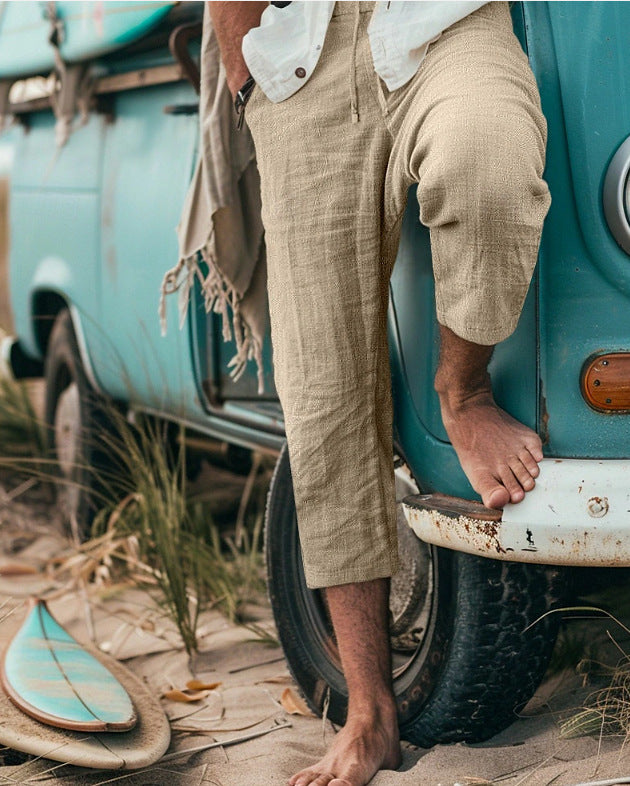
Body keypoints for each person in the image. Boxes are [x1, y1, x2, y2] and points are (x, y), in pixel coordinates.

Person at [209, 3, 551, 785]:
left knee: (490, 160)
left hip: (450, 19)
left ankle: (463, 391)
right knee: (323, 385)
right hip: (303, 49)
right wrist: (243, 74)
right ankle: (368, 713)